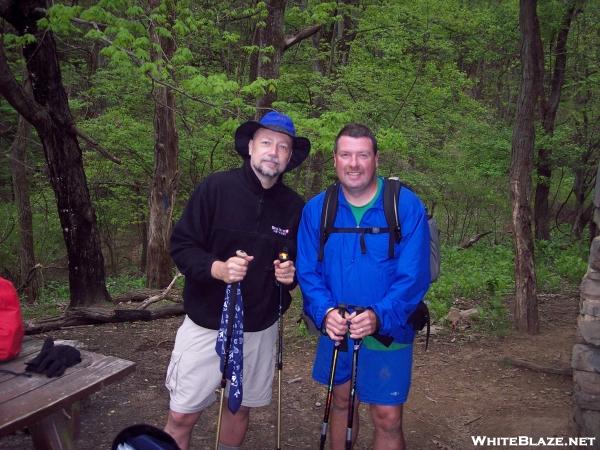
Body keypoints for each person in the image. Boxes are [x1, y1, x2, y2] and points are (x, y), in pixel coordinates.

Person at [164, 111, 310, 450]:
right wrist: (217, 268)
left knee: (238, 407)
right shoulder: (216, 188)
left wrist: (291, 276)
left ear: (289, 157)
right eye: (266, 143)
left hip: (259, 327)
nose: (274, 151)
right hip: (206, 322)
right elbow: (182, 245)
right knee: (182, 415)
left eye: (283, 146)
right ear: (250, 147)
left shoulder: (295, 207)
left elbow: (299, 264)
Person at [296, 123, 431, 450]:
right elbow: (307, 271)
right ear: (334, 160)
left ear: (376, 159)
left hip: (390, 329)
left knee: (387, 417)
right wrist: (325, 311)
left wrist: (379, 316)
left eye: (362, 155)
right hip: (338, 329)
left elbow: (414, 276)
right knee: (341, 403)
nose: (353, 163)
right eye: (346, 155)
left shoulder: (404, 205)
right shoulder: (318, 208)